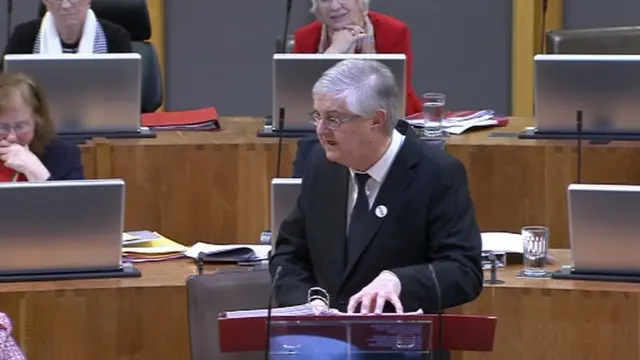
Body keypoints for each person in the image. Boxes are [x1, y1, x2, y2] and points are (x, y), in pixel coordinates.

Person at [269, 59, 482, 359]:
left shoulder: (436, 174)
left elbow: (464, 272)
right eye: (317, 115)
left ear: (376, 120)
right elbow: (289, 255)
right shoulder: (321, 164)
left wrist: (398, 281)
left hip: (397, 344)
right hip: (320, 343)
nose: (320, 130)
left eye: (334, 118)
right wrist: (308, 302)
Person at [293, 0, 423, 117]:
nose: (335, 6)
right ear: (317, 7)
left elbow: (392, 93)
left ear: (360, 2)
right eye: (325, 0)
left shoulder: (393, 32)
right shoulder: (305, 37)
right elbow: (299, 99)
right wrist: (333, 52)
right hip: (325, 123)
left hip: (386, 120)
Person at [0, 72, 84, 181]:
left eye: (21, 126)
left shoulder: (63, 155)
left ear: (37, 121)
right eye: (2, 127)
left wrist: (35, 171)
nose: (12, 137)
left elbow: (73, 198)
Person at [2, 0, 132, 62]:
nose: (65, 5)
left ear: (89, 1)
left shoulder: (116, 38)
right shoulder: (23, 36)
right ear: (45, 2)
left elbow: (127, 92)